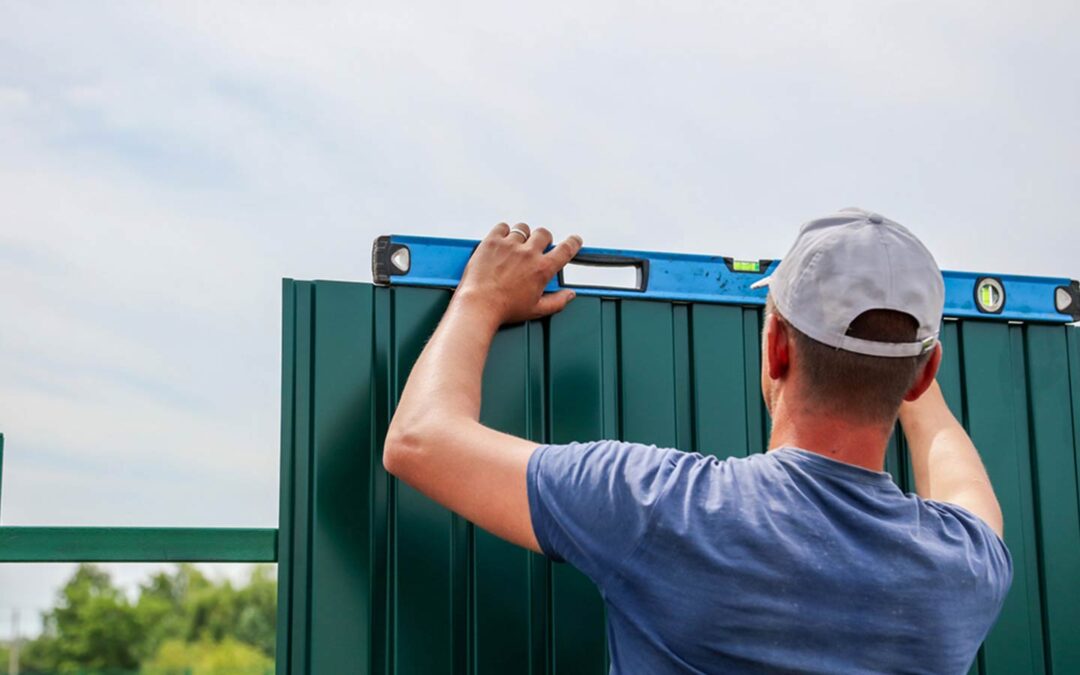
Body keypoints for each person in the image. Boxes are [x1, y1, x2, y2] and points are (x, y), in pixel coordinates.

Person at [382, 208, 1012, 673]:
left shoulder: (662, 506)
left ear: (775, 347)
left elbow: (418, 439)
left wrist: (480, 296)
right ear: (925, 374)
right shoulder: (964, 567)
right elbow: (955, 472)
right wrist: (895, 362)